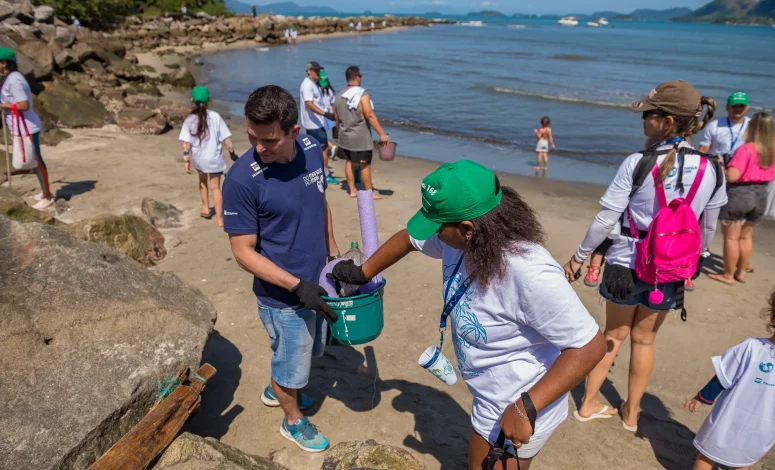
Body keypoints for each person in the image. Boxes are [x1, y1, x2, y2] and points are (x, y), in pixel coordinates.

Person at [329, 160, 606, 470]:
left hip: (520, 402)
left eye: (436, 226)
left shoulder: (530, 274)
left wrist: (527, 407)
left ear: (467, 230)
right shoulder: (462, 240)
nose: (430, 233)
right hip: (489, 396)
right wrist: (362, 272)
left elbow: (590, 345)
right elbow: (408, 239)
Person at [564, 81, 727, 431]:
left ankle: (589, 403)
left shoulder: (637, 162)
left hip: (625, 262)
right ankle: (631, 413)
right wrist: (692, 263)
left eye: (649, 115)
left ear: (667, 121)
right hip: (670, 270)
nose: (643, 120)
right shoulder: (712, 168)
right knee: (645, 340)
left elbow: (606, 218)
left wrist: (579, 257)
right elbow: (708, 228)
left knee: (614, 335)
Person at [222, 85, 340, 453]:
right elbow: (243, 252)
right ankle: (292, 421)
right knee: (292, 363)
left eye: (269, 140)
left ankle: (279, 387)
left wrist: (333, 256)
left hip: (316, 281)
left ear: (294, 131)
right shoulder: (241, 180)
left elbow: (320, 203)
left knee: (308, 352)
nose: (259, 147)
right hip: (282, 296)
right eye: (252, 137)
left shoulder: (311, 152)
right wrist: (296, 285)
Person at [683, 286, 775, 470]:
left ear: (772, 317)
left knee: (706, 456)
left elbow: (723, 377)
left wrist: (702, 398)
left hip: (730, 417)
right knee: (742, 462)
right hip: (765, 428)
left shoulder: (752, 347)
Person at [708, 112, 775, 285]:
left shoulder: (746, 149)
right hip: (761, 194)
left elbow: (732, 176)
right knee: (746, 236)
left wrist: (723, 167)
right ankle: (741, 271)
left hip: (740, 194)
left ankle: (728, 274)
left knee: (732, 237)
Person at [0, 48, 53, 210]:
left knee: (37, 162)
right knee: (32, 161)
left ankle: (48, 196)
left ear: (3, 64)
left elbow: (24, 105)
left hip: (27, 128)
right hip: (19, 127)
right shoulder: (8, 78)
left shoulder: (15, 81)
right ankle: (44, 191)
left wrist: (3, 105)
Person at [178, 86, 236, 227]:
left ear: (192, 100)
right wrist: (232, 152)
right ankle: (220, 219)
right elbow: (226, 138)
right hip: (215, 159)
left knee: (203, 182)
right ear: (209, 100)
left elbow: (186, 143)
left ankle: (205, 208)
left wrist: (186, 160)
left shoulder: (190, 120)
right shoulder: (215, 116)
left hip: (200, 159)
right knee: (216, 187)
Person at [332, 65, 389, 199]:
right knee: (365, 164)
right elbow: (369, 116)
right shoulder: (363, 95)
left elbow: (337, 119)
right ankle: (369, 192)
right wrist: (382, 134)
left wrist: (339, 135)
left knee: (349, 162)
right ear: (357, 78)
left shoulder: (339, 96)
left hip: (345, 135)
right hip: (360, 137)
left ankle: (352, 190)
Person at [299, 61, 337, 184]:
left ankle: (314, 172)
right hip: (313, 123)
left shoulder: (313, 84)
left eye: (319, 71)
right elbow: (309, 103)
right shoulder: (307, 85)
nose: (318, 74)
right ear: (309, 71)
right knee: (323, 149)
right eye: (316, 71)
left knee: (315, 148)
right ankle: (325, 174)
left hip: (317, 123)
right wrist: (325, 114)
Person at [699, 91, 750, 162]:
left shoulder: (752, 125)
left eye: (741, 106)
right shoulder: (714, 125)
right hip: (717, 166)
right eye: (734, 106)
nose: (738, 109)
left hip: (742, 167)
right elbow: (703, 150)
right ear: (727, 107)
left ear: (747, 107)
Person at [317, 70, 340, 184]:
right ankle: (331, 146)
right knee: (322, 136)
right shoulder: (330, 90)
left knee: (321, 138)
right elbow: (333, 104)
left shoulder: (317, 89)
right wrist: (337, 118)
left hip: (323, 115)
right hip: (330, 115)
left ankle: (331, 146)